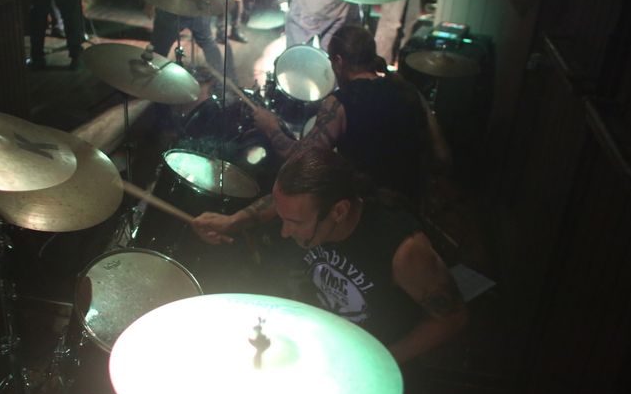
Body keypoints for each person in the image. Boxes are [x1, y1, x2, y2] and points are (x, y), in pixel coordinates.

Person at [191, 146, 467, 363]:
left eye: (295, 222)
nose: (285, 232)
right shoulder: (310, 204)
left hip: (367, 354)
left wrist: (382, 361)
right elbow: (278, 204)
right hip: (321, 335)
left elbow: (452, 318)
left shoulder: (404, 250)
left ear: (339, 211)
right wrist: (233, 221)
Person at [250, 25, 450, 205]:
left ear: (338, 61)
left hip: (368, 209)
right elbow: (442, 155)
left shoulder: (340, 103)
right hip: (412, 204)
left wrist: (271, 127)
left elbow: (300, 159)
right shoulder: (410, 91)